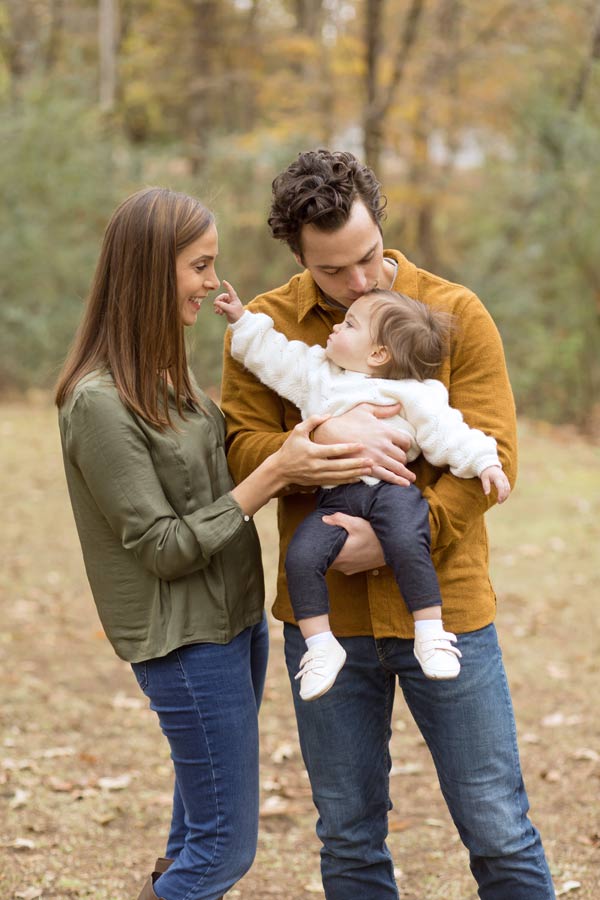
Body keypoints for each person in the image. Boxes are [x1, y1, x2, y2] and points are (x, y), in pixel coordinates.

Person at [220, 150, 556, 899]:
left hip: (447, 607)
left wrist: (403, 536)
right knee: (347, 834)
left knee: (498, 827)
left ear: (382, 227)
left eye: (368, 258)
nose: (359, 282)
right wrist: (320, 451)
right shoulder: (269, 328)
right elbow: (241, 445)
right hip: (326, 619)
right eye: (334, 272)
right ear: (299, 257)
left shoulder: (455, 314)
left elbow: (488, 457)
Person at [55, 187, 374, 900]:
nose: (213, 283)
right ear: (146, 271)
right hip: (185, 644)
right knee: (224, 852)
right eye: (199, 266)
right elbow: (163, 546)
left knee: (193, 841)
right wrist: (276, 472)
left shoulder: (173, 383)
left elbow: (217, 481)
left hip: (234, 626)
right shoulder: (98, 402)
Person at [215, 283, 510, 699]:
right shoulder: (318, 375)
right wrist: (242, 321)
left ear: (377, 354)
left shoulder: (413, 392)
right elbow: (275, 359)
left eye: (350, 324)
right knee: (302, 557)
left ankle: (430, 631)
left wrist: (486, 463)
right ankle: (321, 647)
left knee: (409, 539)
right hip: (336, 499)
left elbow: (449, 434)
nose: (337, 326)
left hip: (392, 491)